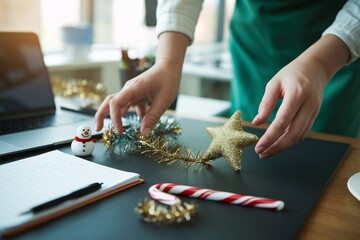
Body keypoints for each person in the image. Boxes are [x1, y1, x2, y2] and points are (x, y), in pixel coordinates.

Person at [95, 0, 360, 159]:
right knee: (253, 130)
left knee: (321, 157)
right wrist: (168, 61)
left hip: (335, 53)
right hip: (253, 41)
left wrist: (321, 63)